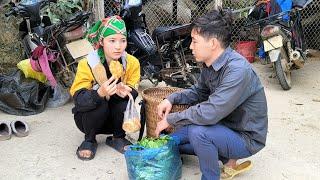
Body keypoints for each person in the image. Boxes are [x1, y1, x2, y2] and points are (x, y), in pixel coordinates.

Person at [155, 9, 268, 180]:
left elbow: (210, 112)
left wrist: (170, 119)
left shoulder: (237, 70)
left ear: (213, 43)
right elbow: (198, 92)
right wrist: (171, 99)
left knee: (197, 132)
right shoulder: (209, 64)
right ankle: (226, 157)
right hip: (222, 126)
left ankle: (210, 176)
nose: (190, 46)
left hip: (245, 137)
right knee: (170, 142)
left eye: (194, 41)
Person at [70, 16, 140, 160]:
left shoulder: (131, 63)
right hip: (88, 120)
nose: (118, 46)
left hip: (115, 121)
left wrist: (127, 91)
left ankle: (118, 137)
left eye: (123, 40)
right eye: (112, 40)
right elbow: (79, 99)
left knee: (123, 101)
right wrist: (99, 93)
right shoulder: (88, 63)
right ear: (101, 42)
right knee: (99, 101)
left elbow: (134, 88)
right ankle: (89, 140)